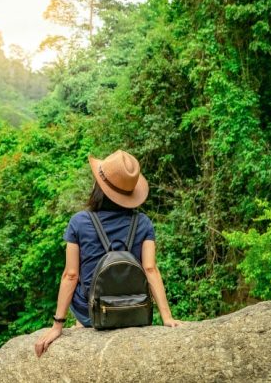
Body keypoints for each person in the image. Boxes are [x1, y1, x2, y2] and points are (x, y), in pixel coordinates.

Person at [34, 150, 181, 357]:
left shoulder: (79, 222)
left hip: (90, 313)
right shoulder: (143, 222)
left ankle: (83, 323)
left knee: (82, 288)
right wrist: (167, 318)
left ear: (99, 186)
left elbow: (71, 275)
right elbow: (150, 269)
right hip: (132, 311)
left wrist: (57, 325)